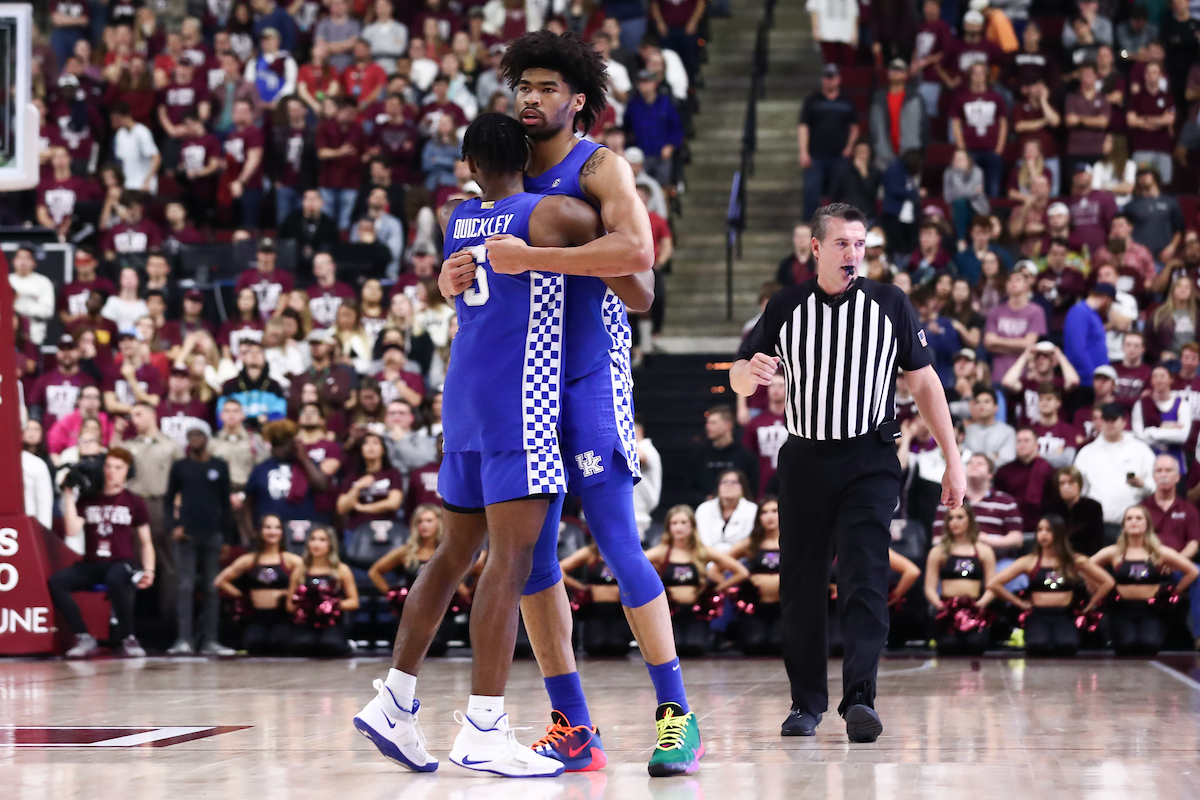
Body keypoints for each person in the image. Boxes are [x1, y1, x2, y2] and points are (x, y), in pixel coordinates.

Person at [354, 110, 613, 778]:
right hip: (517, 401)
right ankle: (485, 724)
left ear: (468, 163)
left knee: (451, 554)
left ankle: (396, 698)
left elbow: (468, 237)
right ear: (527, 154)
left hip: (462, 401)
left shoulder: (456, 217)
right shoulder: (551, 214)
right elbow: (621, 239)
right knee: (512, 561)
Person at [730, 202, 965, 742]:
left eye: (860, 245)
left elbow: (925, 384)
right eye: (842, 244)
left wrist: (953, 459)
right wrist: (751, 372)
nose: (853, 254)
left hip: (870, 459)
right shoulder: (785, 305)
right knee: (801, 585)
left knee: (864, 577)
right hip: (806, 459)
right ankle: (805, 705)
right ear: (816, 248)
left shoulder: (890, 303)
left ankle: (860, 696)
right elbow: (741, 376)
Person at [49, 448, 154, 659]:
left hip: (121, 562)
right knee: (57, 581)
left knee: (115, 578)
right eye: (108, 466)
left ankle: (128, 637)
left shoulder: (134, 501)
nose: (111, 472)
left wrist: (149, 569)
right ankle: (83, 636)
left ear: (127, 472)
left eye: (118, 468)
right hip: (93, 562)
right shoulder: (89, 499)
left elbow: (146, 541)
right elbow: (71, 529)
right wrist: (69, 495)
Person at [989, 514, 1114, 656]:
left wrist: (1091, 604)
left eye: (1048, 530)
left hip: (1064, 615)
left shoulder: (1074, 560)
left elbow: (1108, 582)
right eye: (1040, 530)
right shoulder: (1029, 561)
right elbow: (994, 583)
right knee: (1037, 647)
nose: (1043, 534)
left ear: (1059, 533)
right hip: (1038, 615)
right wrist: (1019, 603)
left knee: (1067, 647)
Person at [164, 426, 235, 656]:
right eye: (190, 435)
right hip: (187, 534)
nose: (194, 439)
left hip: (213, 533)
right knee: (185, 587)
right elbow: (168, 500)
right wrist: (173, 526)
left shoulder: (219, 466)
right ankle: (183, 639)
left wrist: (227, 537)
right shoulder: (180, 467)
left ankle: (210, 640)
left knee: (211, 588)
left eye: (198, 435)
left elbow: (226, 505)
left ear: (207, 438)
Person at [645, 505, 750, 657]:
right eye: (674, 523)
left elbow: (742, 571)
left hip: (696, 614)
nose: (678, 527)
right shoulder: (662, 551)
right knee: (674, 649)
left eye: (683, 522)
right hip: (669, 615)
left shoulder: (702, 551)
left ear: (692, 525)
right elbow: (636, 564)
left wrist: (719, 588)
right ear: (668, 527)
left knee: (695, 648)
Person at [1092, 505, 1198, 655]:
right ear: (1124, 525)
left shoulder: (1159, 552)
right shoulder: (1114, 552)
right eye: (1129, 519)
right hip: (1122, 610)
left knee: (1149, 646)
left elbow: (1192, 571)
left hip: (1151, 611)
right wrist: (1099, 586)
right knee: (1125, 646)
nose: (1133, 522)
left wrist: (1173, 592)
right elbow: (1085, 567)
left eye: (1138, 518)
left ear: (1146, 524)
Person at [214, 514, 303, 655]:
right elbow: (220, 581)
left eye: (277, 527)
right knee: (256, 644)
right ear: (260, 531)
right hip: (257, 617)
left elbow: (308, 578)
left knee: (279, 643)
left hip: (282, 617)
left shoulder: (291, 560)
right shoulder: (249, 560)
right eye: (267, 527)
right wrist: (243, 596)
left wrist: (292, 595)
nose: (272, 531)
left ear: (282, 532)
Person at [1074, 403, 1157, 542]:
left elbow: (1155, 484)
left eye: (1114, 419)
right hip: (1096, 526)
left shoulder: (1141, 450)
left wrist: (1143, 484)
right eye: (1106, 419)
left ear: (1124, 422)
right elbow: (1079, 490)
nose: (1110, 423)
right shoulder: (1086, 452)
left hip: (1130, 526)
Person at [1141, 455, 1200, 644]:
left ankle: (1199, 636)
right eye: (1159, 471)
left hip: (1180, 567)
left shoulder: (1189, 509)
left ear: (1177, 477)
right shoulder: (1143, 509)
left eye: (1168, 471)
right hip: (1148, 564)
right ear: (1153, 477)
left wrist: (1176, 562)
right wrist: (1156, 560)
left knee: (1199, 575)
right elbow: (1136, 542)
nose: (1164, 475)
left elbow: (1194, 542)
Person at [924, 503, 996, 655]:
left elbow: (993, 586)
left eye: (959, 517)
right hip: (947, 611)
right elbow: (929, 587)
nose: (954, 522)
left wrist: (980, 604)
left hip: (974, 610)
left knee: (975, 645)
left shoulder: (984, 551)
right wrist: (939, 605)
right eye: (950, 518)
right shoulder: (939, 551)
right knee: (948, 646)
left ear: (970, 520)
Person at [798, 64, 859, 220]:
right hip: (816, 156)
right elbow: (803, 127)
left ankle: (835, 227)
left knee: (837, 196)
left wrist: (849, 147)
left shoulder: (846, 101)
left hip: (839, 156)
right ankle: (809, 227)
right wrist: (804, 152)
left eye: (832, 77)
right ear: (822, 79)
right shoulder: (812, 101)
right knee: (811, 193)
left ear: (838, 79)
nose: (829, 81)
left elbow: (854, 127)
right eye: (827, 77)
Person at [286, 525, 359, 656]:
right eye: (313, 539)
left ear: (330, 544)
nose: (316, 544)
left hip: (331, 622)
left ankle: (346, 643)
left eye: (322, 540)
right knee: (302, 646)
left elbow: (354, 602)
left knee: (329, 646)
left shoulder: (341, 570)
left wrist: (332, 604)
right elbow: (290, 606)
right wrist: (305, 604)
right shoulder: (300, 570)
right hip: (307, 622)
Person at [729, 497, 783, 655]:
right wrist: (729, 585)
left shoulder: (792, 541)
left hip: (784, 609)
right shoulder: (750, 543)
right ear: (759, 517)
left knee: (778, 645)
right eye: (764, 512)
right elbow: (719, 565)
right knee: (753, 645)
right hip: (756, 609)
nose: (770, 516)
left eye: (774, 511)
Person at [1133, 365, 1192, 472]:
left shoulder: (1182, 404)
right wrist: (1169, 428)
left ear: (1170, 379)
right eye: (1155, 376)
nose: (1159, 380)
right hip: (1148, 466)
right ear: (1151, 381)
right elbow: (1139, 436)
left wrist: (1150, 431)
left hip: (1176, 465)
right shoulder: (1141, 404)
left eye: (1162, 376)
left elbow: (1182, 436)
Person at [1045, 465, 1105, 556]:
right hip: (1058, 558)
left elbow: (1097, 542)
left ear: (1079, 485)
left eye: (1071, 482)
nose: (1066, 487)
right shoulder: (1051, 508)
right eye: (1062, 483)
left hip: (1087, 557)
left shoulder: (1093, 507)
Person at [695, 469, 758, 554]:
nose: (728, 485)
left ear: (742, 487)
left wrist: (725, 562)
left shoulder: (752, 509)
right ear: (718, 487)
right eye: (724, 482)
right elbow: (703, 541)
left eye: (734, 482)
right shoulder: (704, 509)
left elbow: (747, 541)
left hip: (741, 558)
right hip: (709, 557)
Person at [1063, 283, 1116, 385]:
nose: (1110, 306)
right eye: (1111, 302)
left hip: (1096, 379)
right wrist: (1092, 375)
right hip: (1085, 379)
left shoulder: (1092, 314)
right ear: (1106, 298)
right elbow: (1077, 348)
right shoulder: (1079, 312)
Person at [963, 387, 1016, 467]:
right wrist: (993, 457)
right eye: (978, 402)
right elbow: (964, 457)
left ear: (996, 407)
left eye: (987, 402)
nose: (981, 405)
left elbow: (1008, 459)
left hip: (999, 476)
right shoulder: (967, 431)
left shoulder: (1007, 431)